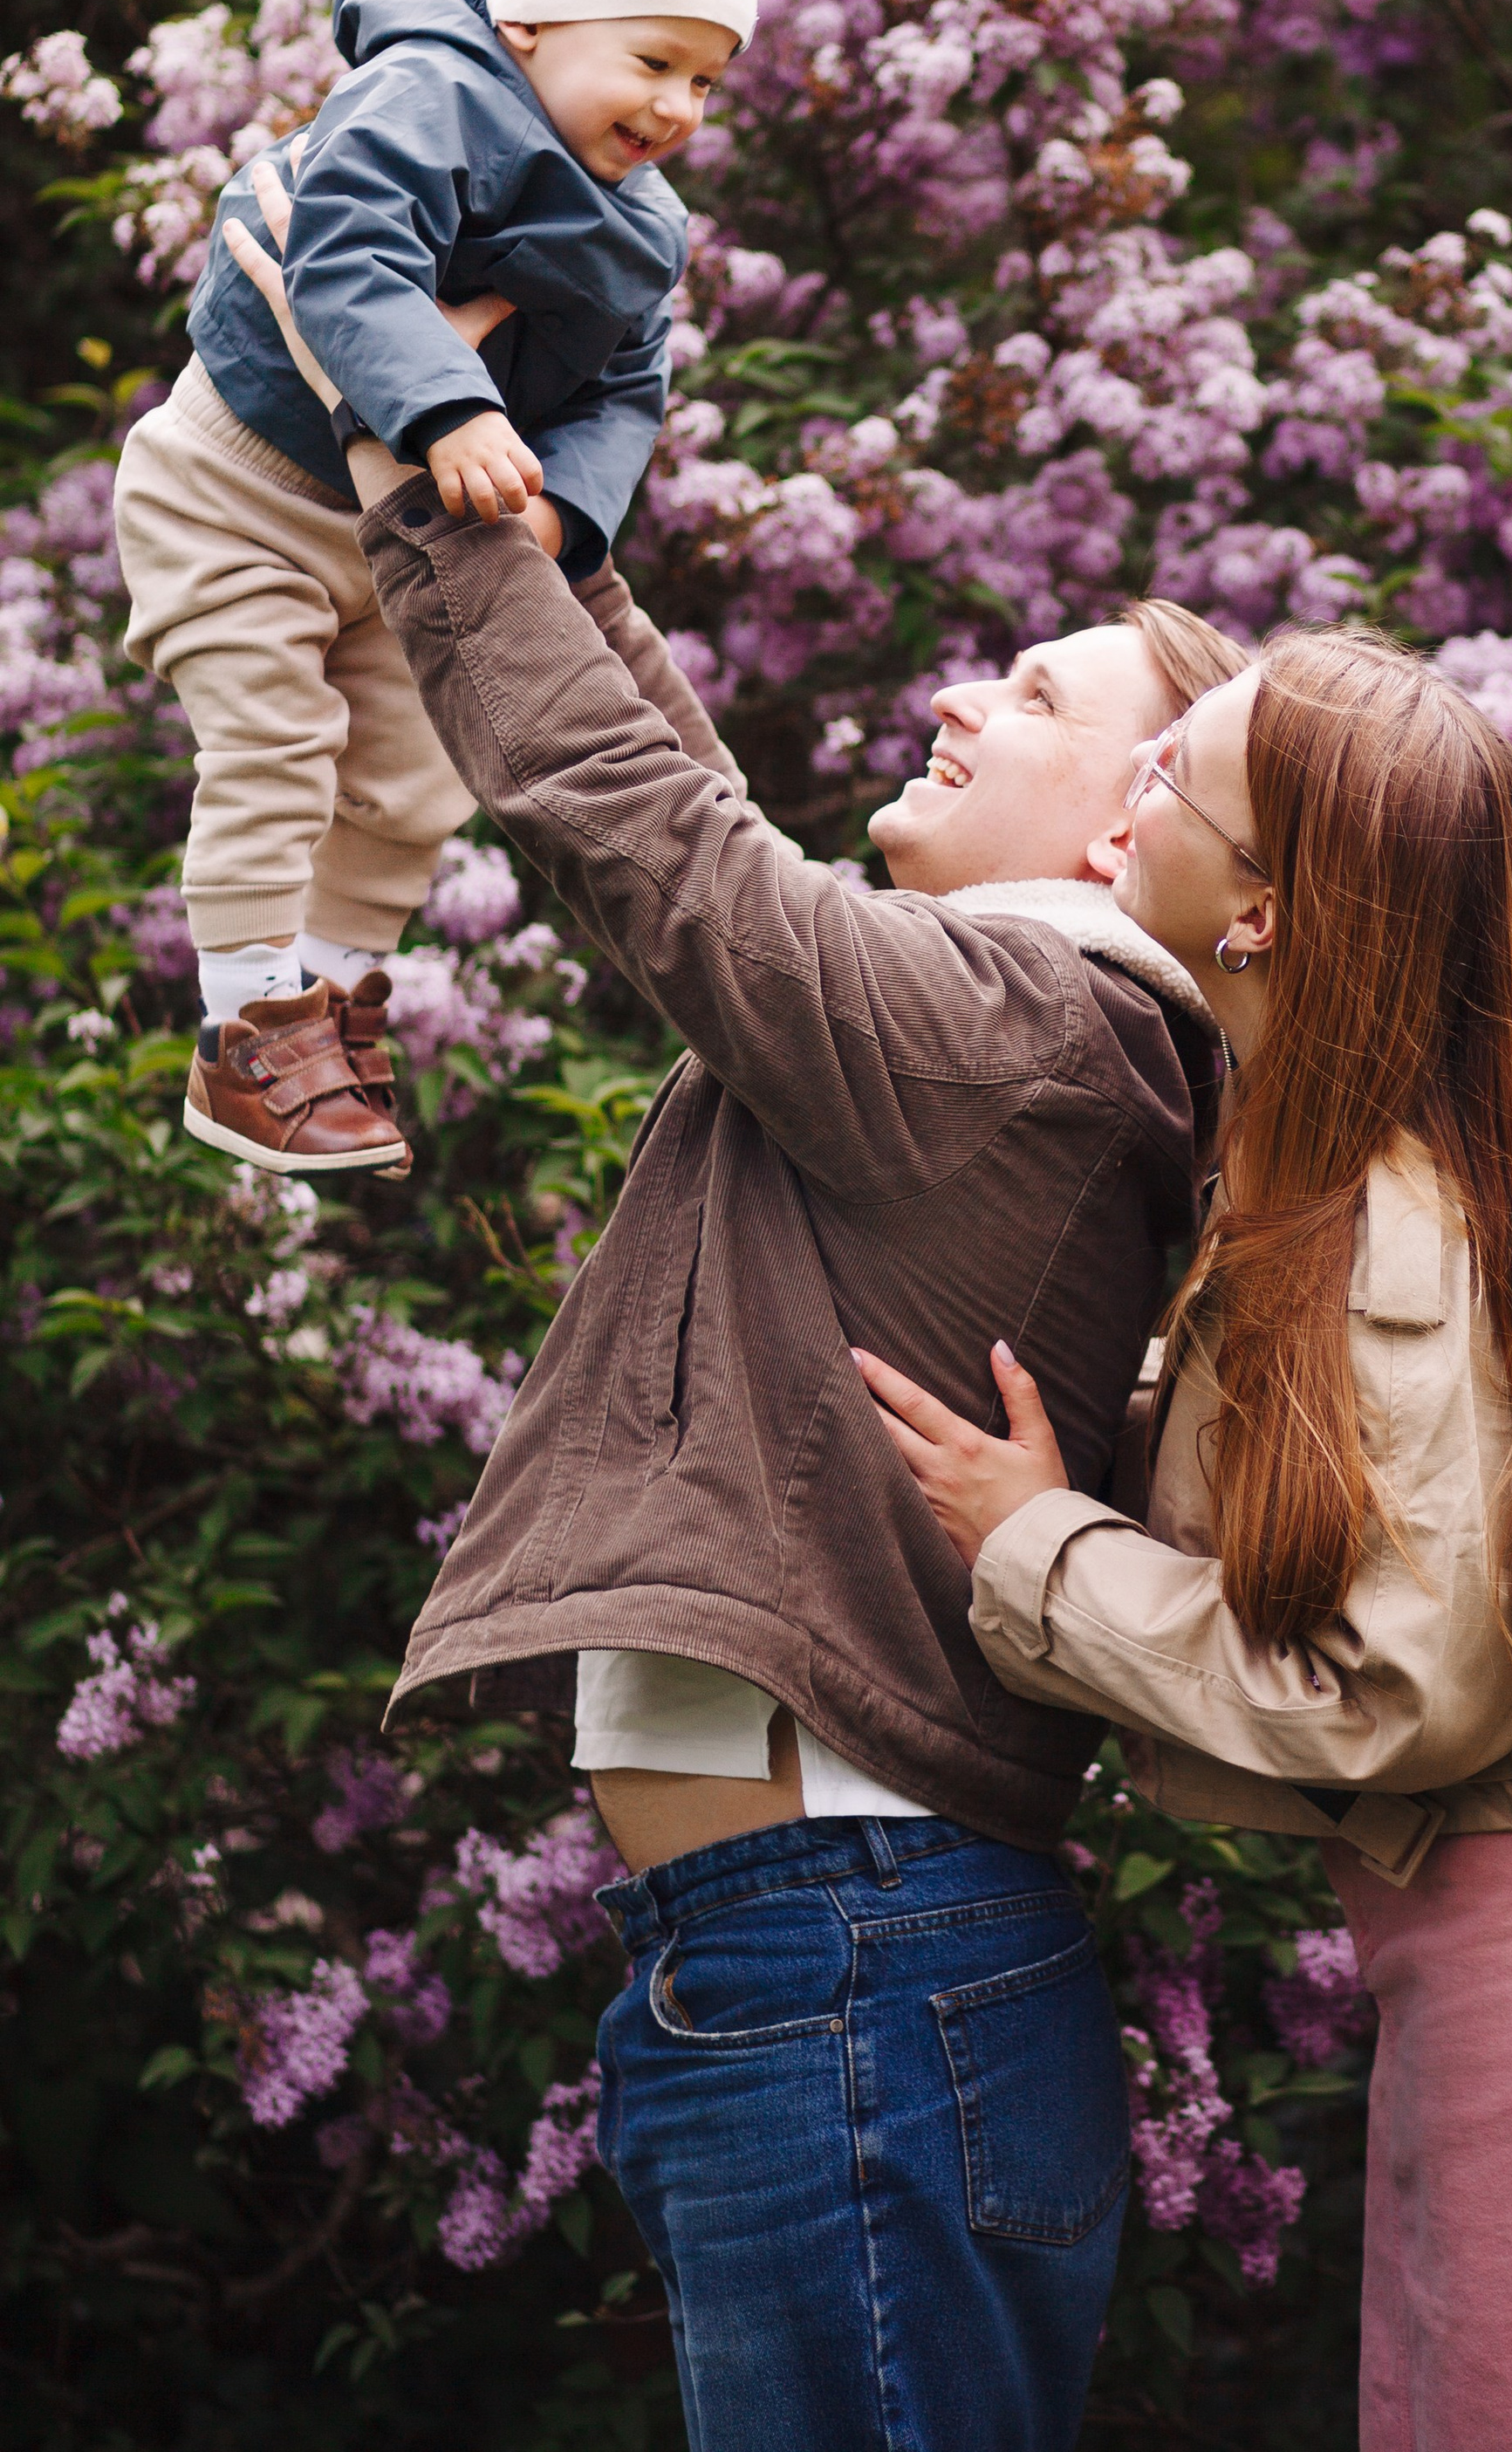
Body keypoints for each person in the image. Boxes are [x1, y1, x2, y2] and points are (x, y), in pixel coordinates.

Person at [222, 178, 1246, 2452]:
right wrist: (527, 487)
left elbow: (652, 846)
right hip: (824, 1950)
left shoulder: (1034, 1029)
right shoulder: (1003, 1021)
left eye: (1042, 696)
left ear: (1132, 834)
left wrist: (405, 450)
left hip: (850, 1951)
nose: (964, 690)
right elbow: (688, 803)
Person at [859, 627, 1512, 2452]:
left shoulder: (1405, 1209)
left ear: (1262, 910)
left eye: (1172, 777)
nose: (1128, 788)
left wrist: (1038, 1551)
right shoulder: (1396, 1128)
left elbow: (1399, 1690)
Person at [115, 0, 756, 1177]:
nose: (677, 106)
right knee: (276, 743)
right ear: (530, 19)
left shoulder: (638, 220)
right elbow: (343, 258)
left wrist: (565, 504)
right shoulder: (426, 91)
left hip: (398, 539)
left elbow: (627, 385)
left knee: (412, 778)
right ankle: (247, 1031)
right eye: (653, 60)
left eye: (706, 81)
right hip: (241, 497)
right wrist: (453, 405)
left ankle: (333, 1005)